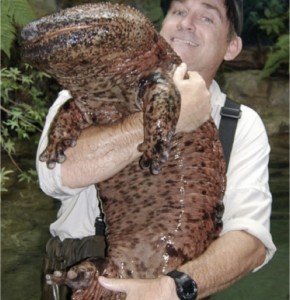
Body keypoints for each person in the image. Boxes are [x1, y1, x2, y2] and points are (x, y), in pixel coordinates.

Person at [37, 0, 276, 299]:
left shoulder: (242, 124)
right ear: (159, 28)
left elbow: (250, 241)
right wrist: (172, 118)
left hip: (176, 282)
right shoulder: (89, 88)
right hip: (81, 280)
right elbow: (56, 175)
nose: (186, 22)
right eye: (178, 11)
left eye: (206, 17)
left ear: (232, 46)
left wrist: (171, 288)